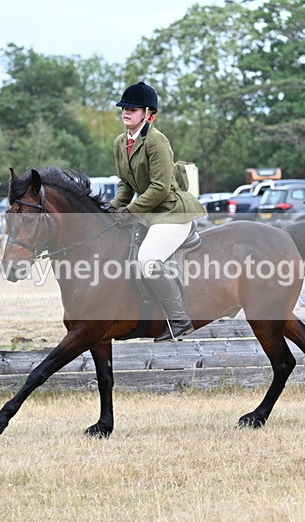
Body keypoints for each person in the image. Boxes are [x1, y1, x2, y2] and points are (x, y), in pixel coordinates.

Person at [108, 81, 206, 342]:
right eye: (124, 108)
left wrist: (130, 210)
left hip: (172, 212)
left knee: (148, 259)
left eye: (132, 108)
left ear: (147, 113)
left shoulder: (156, 140)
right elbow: (125, 183)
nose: (125, 112)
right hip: (150, 213)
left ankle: (179, 318)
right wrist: (115, 207)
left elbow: (160, 188)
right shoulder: (120, 142)